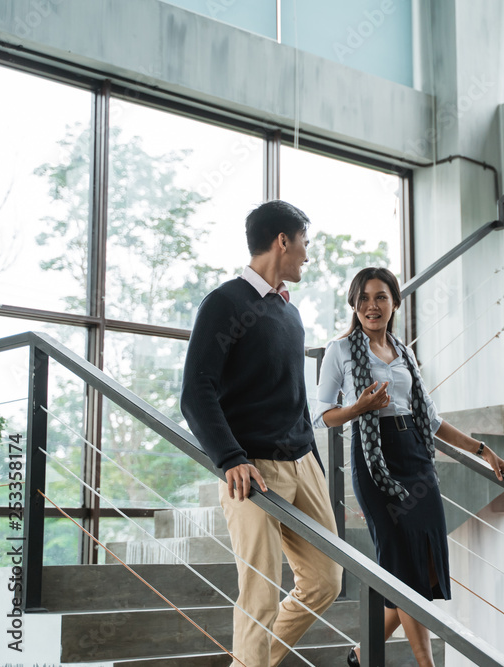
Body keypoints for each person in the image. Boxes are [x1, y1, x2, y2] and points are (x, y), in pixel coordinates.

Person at [315, 266, 504, 667]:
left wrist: (482, 450)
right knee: (400, 569)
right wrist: (360, 407)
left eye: (381, 297)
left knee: (426, 572)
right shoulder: (339, 351)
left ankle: (360, 655)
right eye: (365, 298)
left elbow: (432, 420)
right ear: (354, 304)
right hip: (374, 460)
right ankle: (427, 665)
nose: (373, 306)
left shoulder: (405, 353)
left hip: (415, 457)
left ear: (394, 303)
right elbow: (322, 416)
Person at [181, 200, 342, 667]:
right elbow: (196, 392)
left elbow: (292, 395)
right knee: (261, 593)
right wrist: (230, 457)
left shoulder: (289, 314)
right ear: (282, 241)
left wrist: (311, 457)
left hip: (302, 462)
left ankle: (248, 663)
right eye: (305, 244)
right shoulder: (224, 303)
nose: (307, 257)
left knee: (326, 582)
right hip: (250, 470)